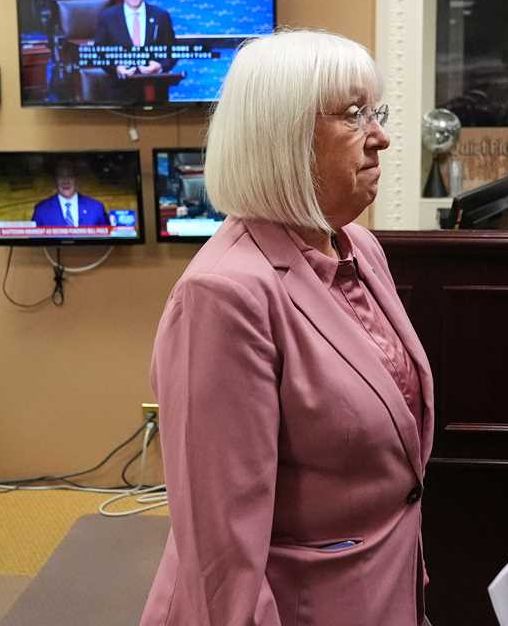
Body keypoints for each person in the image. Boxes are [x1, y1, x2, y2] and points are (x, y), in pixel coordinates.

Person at [140, 30, 434, 626]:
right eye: (353, 115)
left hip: (381, 590)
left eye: (375, 113)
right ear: (285, 138)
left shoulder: (359, 246)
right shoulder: (222, 295)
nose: (380, 137)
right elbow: (221, 550)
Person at [93, 0, 178, 80]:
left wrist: (160, 66)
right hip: (120, 85)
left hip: (155, 82)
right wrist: (117, 68)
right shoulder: (107, 17)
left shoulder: (160, 16)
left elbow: (172, 51)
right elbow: (100, 53)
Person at [31, 159, 108, 227]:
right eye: (61, 176)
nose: (65, 181)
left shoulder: (96, 207)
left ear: (76, 179)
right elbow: (34, 238)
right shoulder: (41, 210)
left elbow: (107, 236)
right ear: (55, 180)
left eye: (70, 176)